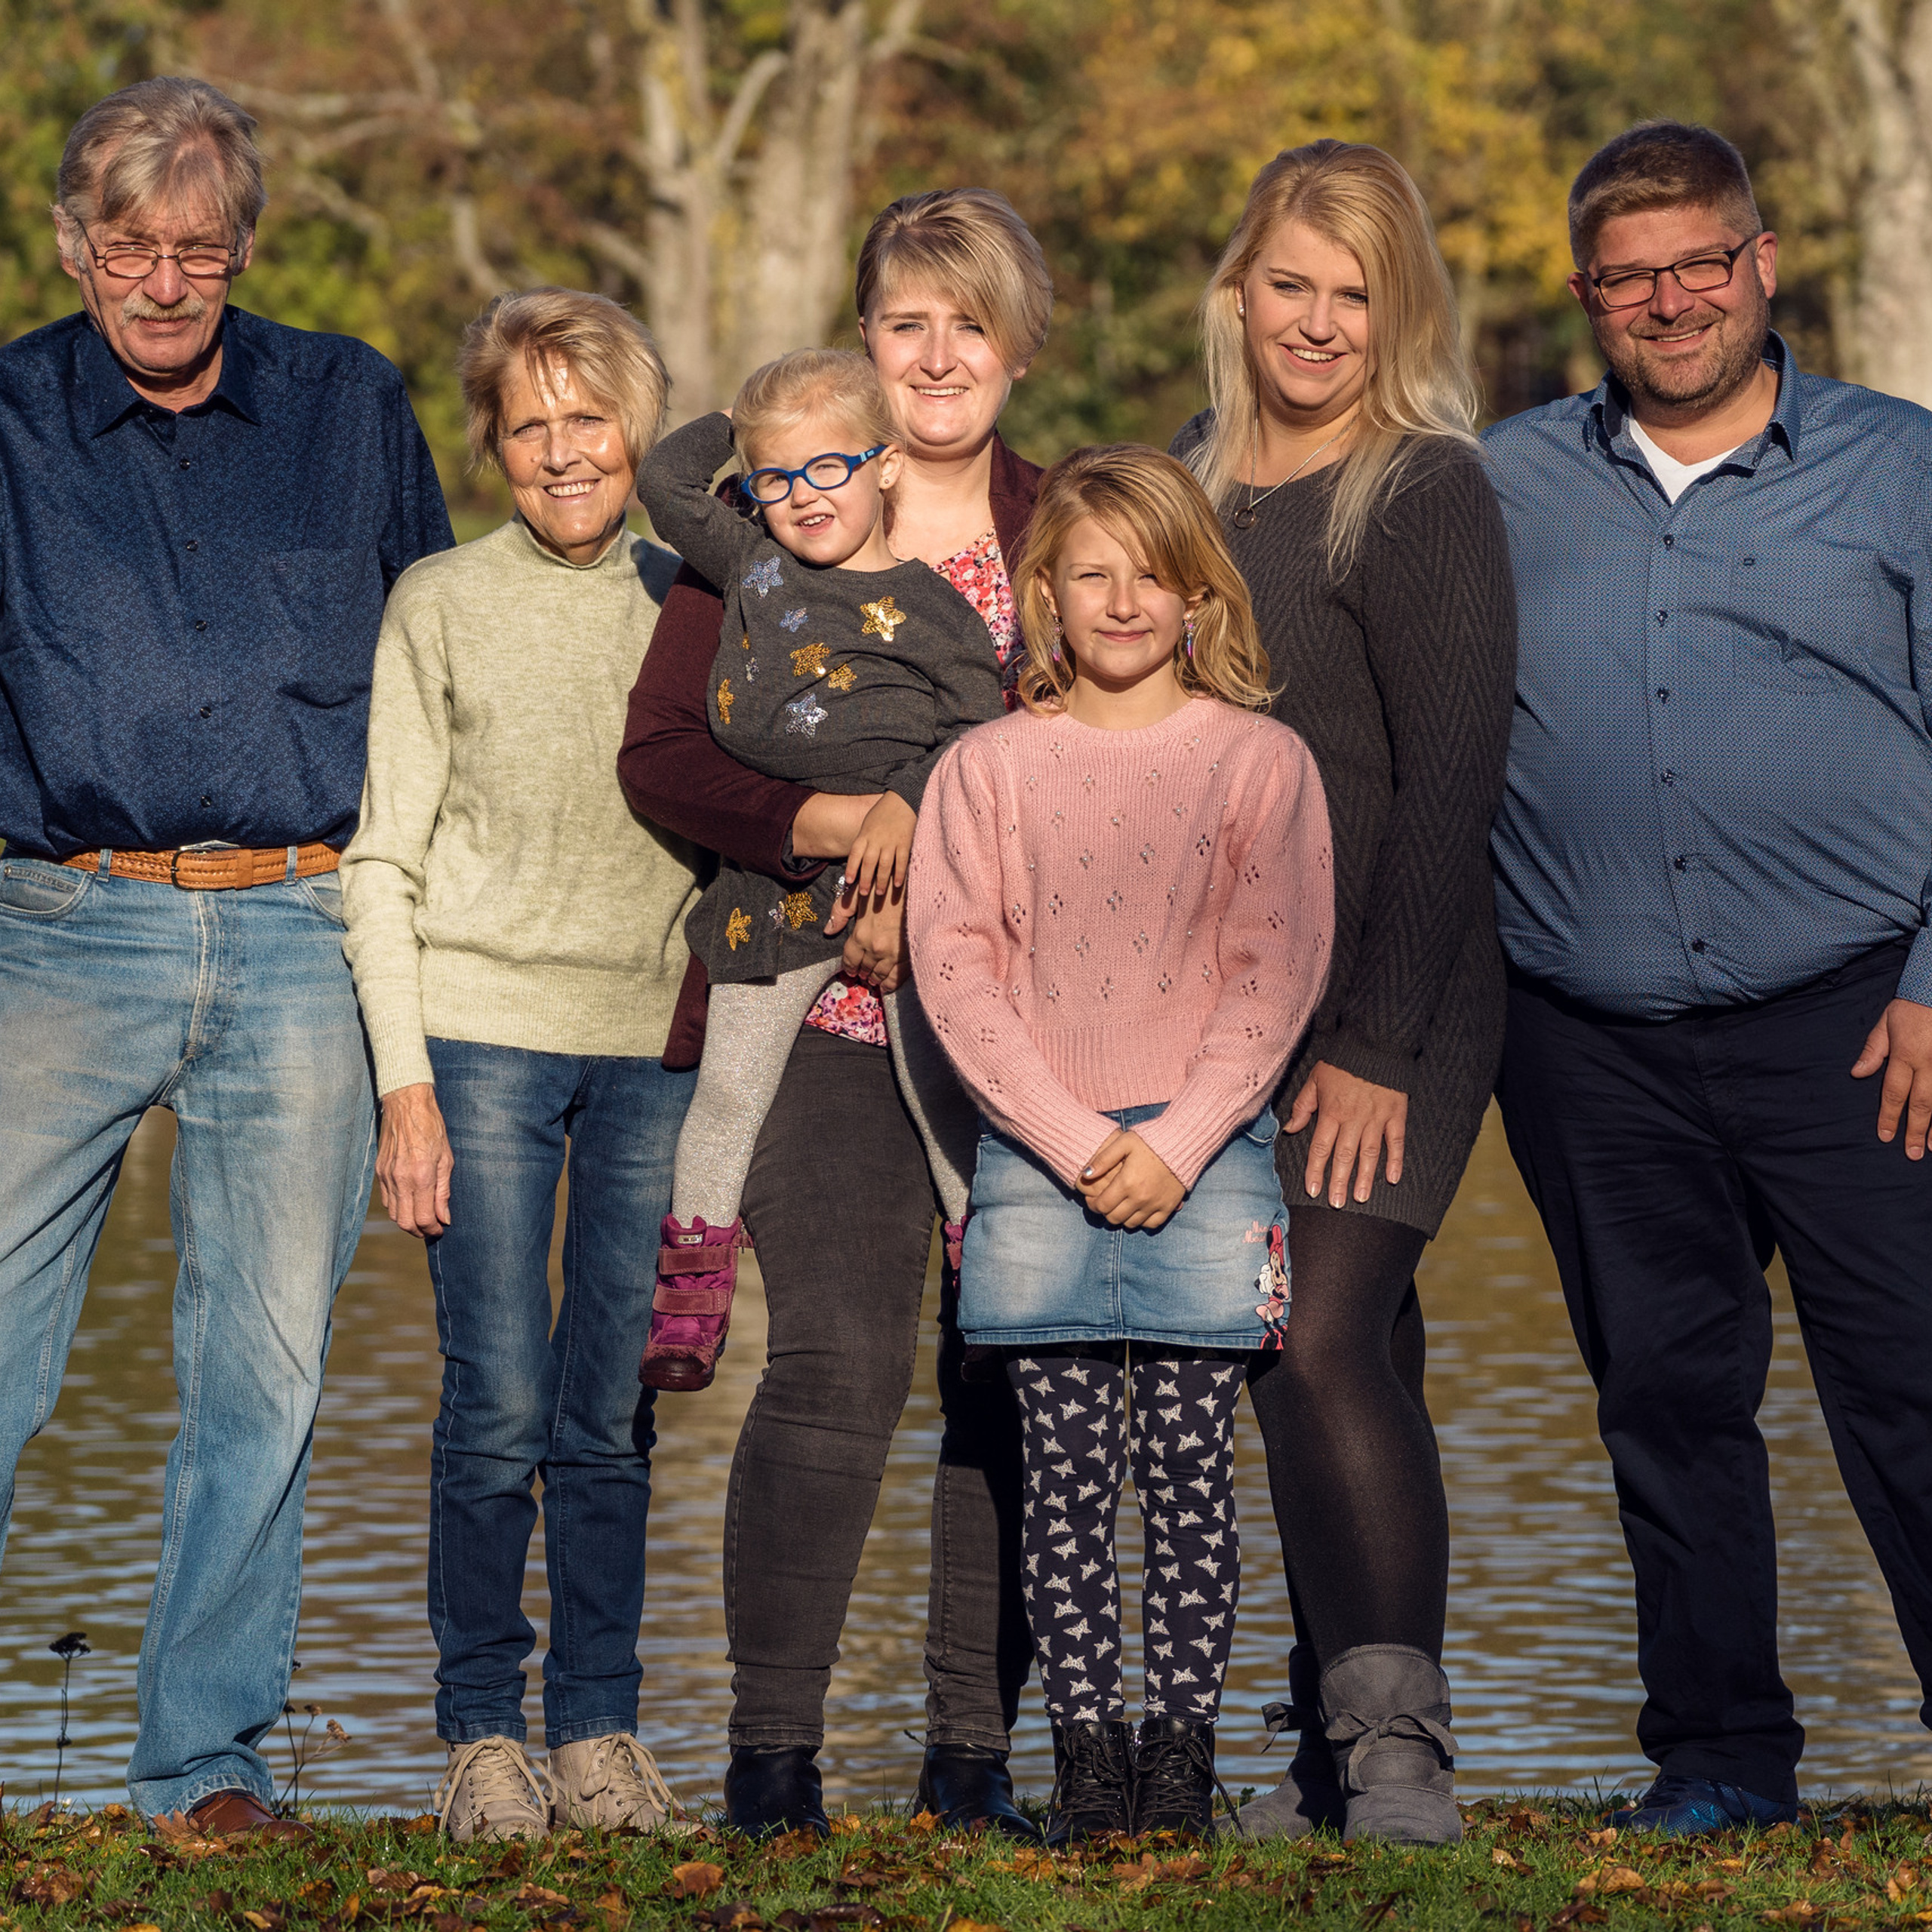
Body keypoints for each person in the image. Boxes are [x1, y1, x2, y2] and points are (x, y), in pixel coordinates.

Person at [0, 77, 451, 1832]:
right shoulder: (12, 413)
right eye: (131, 248)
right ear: (71, 247)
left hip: (298, 923)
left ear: (244, 249)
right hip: (58, 920)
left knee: (260, 1370)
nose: (166, 283)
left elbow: (427, 671)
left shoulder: (347, 402)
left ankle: (204, 1766)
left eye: (199, 249)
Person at [1482, 120, 1932, 1837]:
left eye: (1697, 262)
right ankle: (1720, 1754)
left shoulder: (1896, 467)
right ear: (1586, 294)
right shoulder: (1504, 481)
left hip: (1856, 1021)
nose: (1667, 299)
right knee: (1665, 1398)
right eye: (1626, 275)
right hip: (1589, 1037)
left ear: (1759, 265)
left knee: (1905, 1383)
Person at [617, 188, 1049, 1838]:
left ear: (1014, 344)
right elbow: (663, 753)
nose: (936, 355)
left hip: (1006, 1017)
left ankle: (967, 1758)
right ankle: (771, 1764)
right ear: (859, 343)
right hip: (805, 1015)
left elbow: (1103, 739)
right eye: (901, 319)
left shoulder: (1053, 520)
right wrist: (829, 826)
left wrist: (935, 844)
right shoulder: (762, 528)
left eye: (969, 320)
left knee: (1000, 1365)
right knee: (835, 1361)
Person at [909, 445, 1334, 1841]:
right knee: (1065, 1482)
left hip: (1208, 1157)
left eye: (1153, 572)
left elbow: (1278, 966)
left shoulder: (1259, 761)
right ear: (1046, 596)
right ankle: (1089, 1759)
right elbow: (956, 968)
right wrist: (1074, 1136)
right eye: (1092, 573)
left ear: (1199, 593)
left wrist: (1185, 1136)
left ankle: (1180, 1758)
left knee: (1192, 1474)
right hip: (1043, 1159)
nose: (1124, 598)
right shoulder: (989, 769)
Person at [1171, 140, 1515, 1844]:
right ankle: (1320, 1748)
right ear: (1236, 287)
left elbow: (1451, 780)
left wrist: (1376, 1043)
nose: (1316, 320)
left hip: (1399, 999)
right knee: (1317, 1344)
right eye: (1290, 281)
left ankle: (1395, 1757)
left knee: (1309, 1333)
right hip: (1222, 1017)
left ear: (1398, 312)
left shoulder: (1420, 488)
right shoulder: (1182, 484)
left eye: (1354, 291)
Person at [340, 290, 703, 1841]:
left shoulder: (700, 595)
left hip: (653, 1045)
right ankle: (482, 1736)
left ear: (637, 430)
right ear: (491, 439)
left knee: (609, 1401)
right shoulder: (436, 599)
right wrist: (404, 1082)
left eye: (589, 417)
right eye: (529, 422)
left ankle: (601, 1735)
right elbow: (381, 861)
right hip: (479, 1038)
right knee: (494, 1395)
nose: (561, 450)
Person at [633, 350, 999, 1392]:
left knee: (939, 1091)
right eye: (778, 479)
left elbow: (978, 734)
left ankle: (985, 1290)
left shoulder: (937, 611)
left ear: (887, 465)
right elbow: (665, 480)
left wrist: (907, 806)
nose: (802, 499)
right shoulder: (750, 559)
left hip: (904, 886)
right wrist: (743, 420)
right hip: (771, 891)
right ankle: (689, 1310)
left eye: (829, 467)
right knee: (730, 1091)